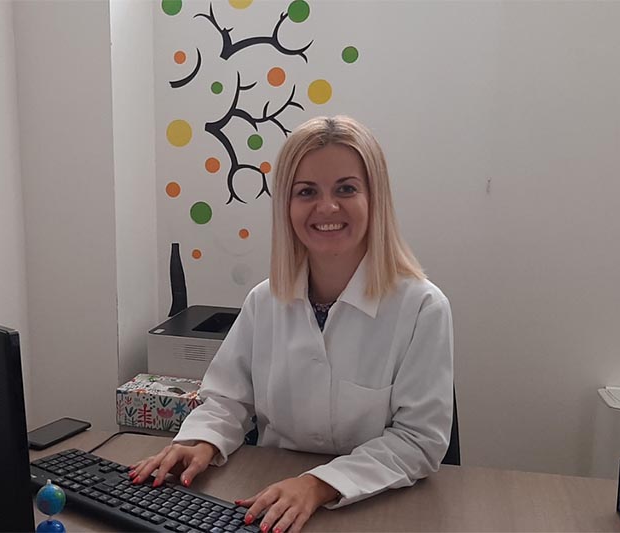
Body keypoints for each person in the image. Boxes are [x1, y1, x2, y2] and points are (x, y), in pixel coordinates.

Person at [131, 116, 453, 533]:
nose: (327, 207)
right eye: (306, 192)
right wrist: (200, 442)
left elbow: (418, 442)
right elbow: (228, 399)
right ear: (286, 203)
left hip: (377, 506)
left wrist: (319, 485)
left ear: (376, 199)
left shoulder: (423, 308)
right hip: (269, 501)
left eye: (346, 188)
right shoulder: (265, 301)